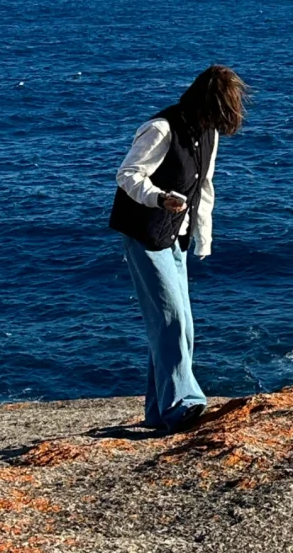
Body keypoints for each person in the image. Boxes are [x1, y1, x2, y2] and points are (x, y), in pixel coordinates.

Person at [109, 63, 248, 433]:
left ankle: (158, 413)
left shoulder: (208, 134)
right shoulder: (161, 129)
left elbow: (204, 186)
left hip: (177, 236)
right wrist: (158, 198)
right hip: (145, 233)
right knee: (172, 321)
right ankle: (181, 405)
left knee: (177, 323)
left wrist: (203, 239)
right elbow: (127, 175)